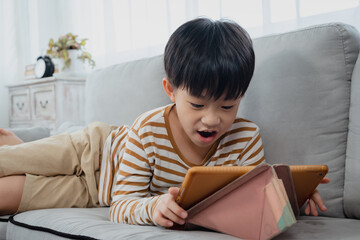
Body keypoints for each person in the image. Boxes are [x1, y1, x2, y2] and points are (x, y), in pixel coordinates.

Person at [0, 18, 328, 227]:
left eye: (228, 105)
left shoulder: (245, 139)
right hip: (95, 150)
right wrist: (151, 205)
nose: (213, 119)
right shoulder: (148, 128)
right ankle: (17, 145)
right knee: (7, 160)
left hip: (93, 191)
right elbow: (126, 203)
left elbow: (119, 202)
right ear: (170, 90)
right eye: (197, 104)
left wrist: (291, 197)